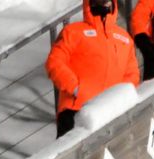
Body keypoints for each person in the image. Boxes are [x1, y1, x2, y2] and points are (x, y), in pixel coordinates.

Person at [46, 0, 141, 137]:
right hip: (76, 110)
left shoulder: (124, 38)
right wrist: (76, 88)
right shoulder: (73, 32)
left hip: (110, 113)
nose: (103, 3)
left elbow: (132, 75)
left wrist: (120, 99)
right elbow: (54, 62)